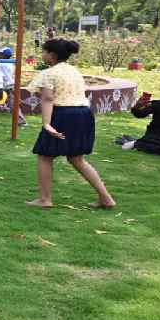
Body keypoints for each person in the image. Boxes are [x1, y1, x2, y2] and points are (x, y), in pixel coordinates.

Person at [25, 39, 115, 209]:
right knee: (77, 158)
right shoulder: (74, 71)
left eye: (43, 51)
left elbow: (48, 98)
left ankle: (45, 199)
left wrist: (46, 124)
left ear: (51, 55)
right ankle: (106, 198)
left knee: (44, 156)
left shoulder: (48, 73)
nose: (42, 55)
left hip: (63, 114)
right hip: (83, 114)